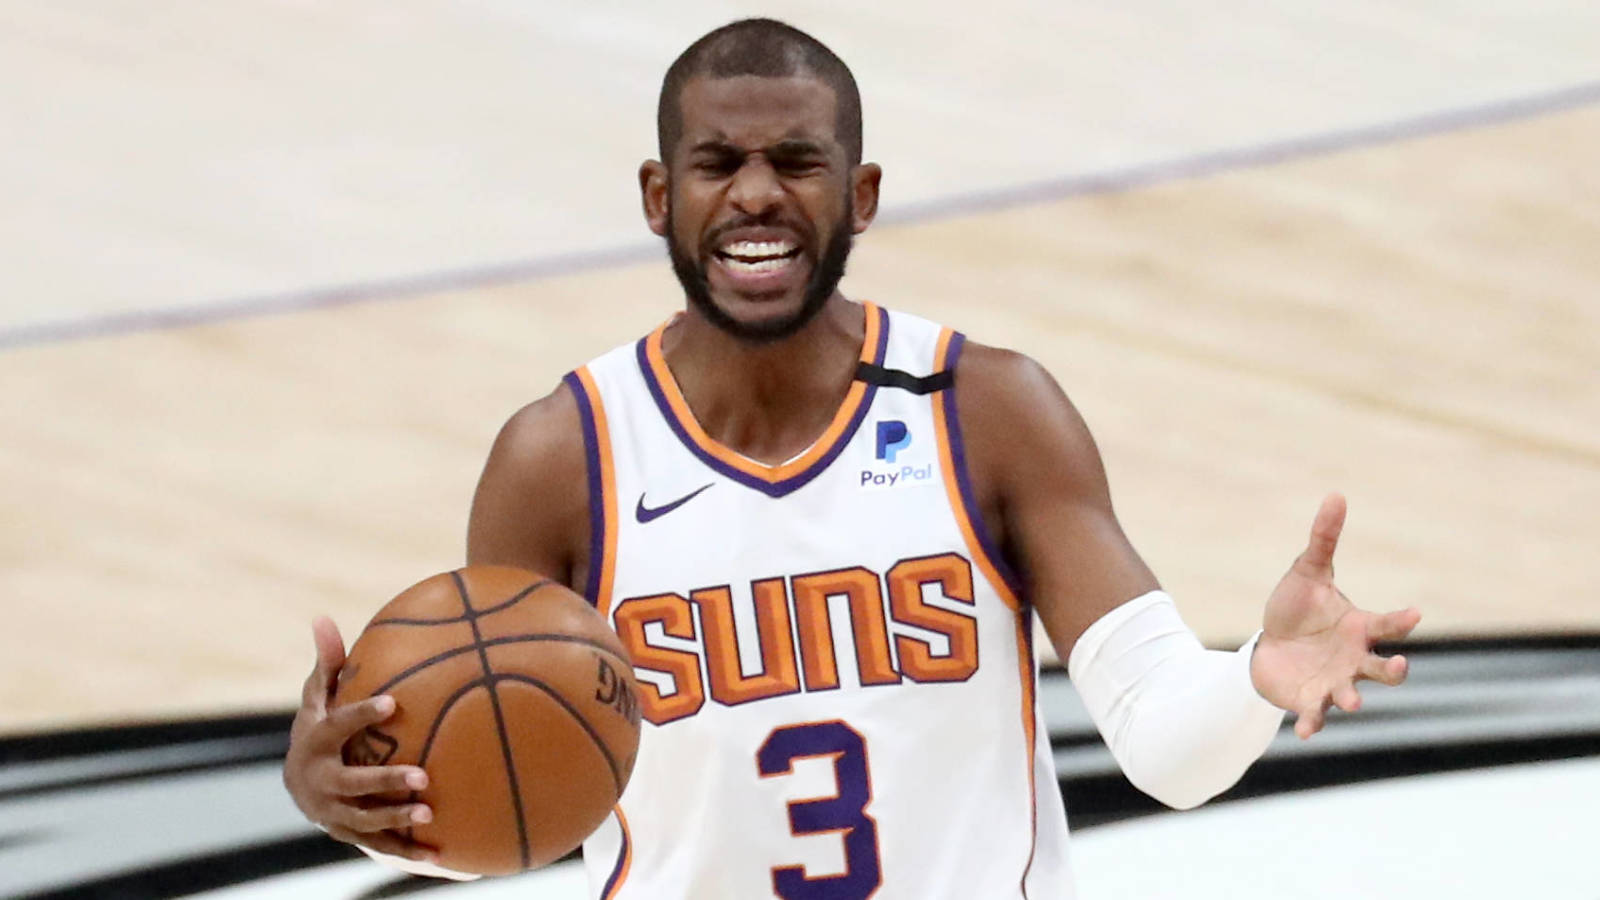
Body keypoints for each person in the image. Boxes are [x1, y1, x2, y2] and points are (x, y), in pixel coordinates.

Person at [283, 18, 1421, 899]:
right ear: (656, 195)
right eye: (716, 162)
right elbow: (522, 801)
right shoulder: (560, 457)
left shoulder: (986, 409)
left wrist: (1251, 680)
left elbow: (1169, 751)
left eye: (798, 160)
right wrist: (360, 804)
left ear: (861, 194)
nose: (758, 192)